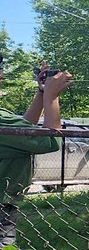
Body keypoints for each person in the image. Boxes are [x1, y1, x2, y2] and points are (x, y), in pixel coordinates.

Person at [1, 61, 72, 211]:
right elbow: (50, 141)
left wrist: (42, 93)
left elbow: (23, 128)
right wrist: (51, 97)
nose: (2, 76)